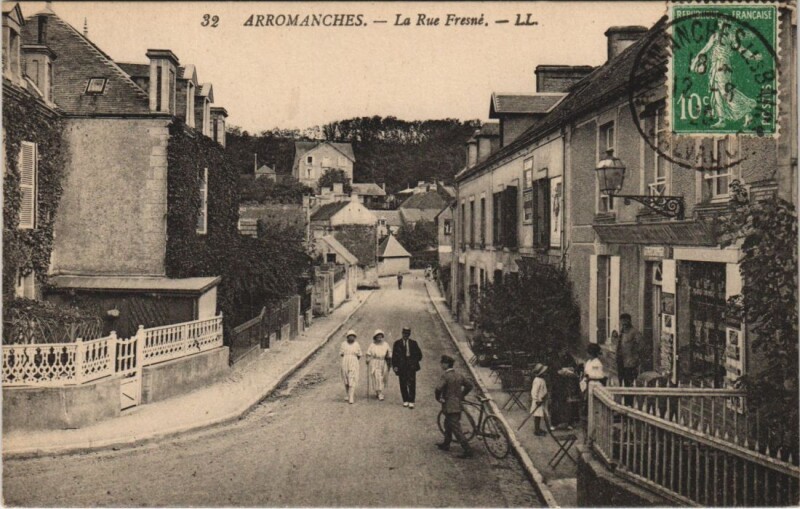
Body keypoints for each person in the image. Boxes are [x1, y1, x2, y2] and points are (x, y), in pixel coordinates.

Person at [434, 354, 474, 459]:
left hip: (449, 406)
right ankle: (446, 444)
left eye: (442, 363)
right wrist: (461, 395)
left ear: (446, 364)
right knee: (447, 424)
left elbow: (438, 389)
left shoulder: (446, 376)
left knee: (456, 429)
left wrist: (438, 398)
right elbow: (469, 385)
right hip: (458, 405)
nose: (441, 365)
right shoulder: (458, 375)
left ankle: (468, 450)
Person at [550, 347, 581, 430]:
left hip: (566, 384)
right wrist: (561, 371)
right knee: (556, 404)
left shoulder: (568, 357)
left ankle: (569, 423)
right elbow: (554, 370)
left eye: (565, 350)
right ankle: (555, 423)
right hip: (557, 384)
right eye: (562, 351)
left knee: (568, 403)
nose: (564, 352)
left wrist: (571, 369)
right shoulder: (554, 358)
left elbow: (574, 367)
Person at [391, 327, 423, 408]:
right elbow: (394, 356)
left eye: (407, 334)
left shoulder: (413, 343)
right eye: (404, 333)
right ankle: (405, 400)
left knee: (412, 383)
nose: (406, 335)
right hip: (401, 366)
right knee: (403, 383)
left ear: (409, 334)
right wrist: (395, 366)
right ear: (402, 333)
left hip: (411, 366)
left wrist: (413, 362)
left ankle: (411, 401)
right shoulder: (397, 343)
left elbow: (419, 355)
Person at [613, 313, 641, 387]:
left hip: (629, 362)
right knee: (621, 380)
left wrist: (635, 358)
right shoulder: (622, 332)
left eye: (625, 321)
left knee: (628, 382)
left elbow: (640, 346)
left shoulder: (634, 332)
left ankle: (629, 398)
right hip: (621, 361)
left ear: (629, 321)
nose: (623, 323)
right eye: (622, 321)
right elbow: (619, 345)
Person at [366, 329, 392, 401]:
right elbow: (368, 353)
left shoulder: (385, 344)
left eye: (380, 336)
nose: (379, 338)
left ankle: (378, 390)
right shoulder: (372, 345)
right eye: (378, 336)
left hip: (383, 362)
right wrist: (367, 359)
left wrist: (389, 357)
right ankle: (380, 393)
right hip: (375, 362)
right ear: (375, 337)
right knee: (377, 377)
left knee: (383, 377)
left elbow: (389, 351)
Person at [339, 329, 362, 404]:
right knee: (346, 379)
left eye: (353, 336)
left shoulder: (356, 344)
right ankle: (347, 394)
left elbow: (359, 355)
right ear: (347, 337)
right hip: (345, 362)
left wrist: (353, 359)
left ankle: (351, 397)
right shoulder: (343, 344)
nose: (351, 338)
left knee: (352, 378)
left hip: (354, 362)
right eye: (350, 336)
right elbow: (341, 353)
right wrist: (347, 358)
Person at [529, 363, 549, 437]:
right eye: (544, 372)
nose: (545, 373)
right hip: (538, 401)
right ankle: (536, 430)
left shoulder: (542, 379)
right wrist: (537, 400)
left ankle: (538, 428)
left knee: (539, 415)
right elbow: (534, 391)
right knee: (537, 415)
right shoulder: (537, 380)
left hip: (542, 400)